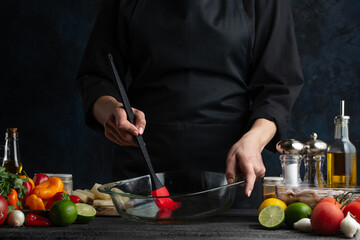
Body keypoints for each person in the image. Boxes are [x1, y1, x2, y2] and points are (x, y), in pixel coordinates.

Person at [77, 0, 303, 204]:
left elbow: (277, 87)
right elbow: (97, 77)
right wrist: (112, 112)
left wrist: (254, 140)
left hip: (231, 175)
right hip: (142, 172)